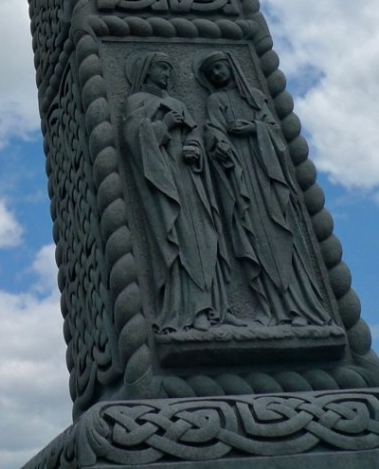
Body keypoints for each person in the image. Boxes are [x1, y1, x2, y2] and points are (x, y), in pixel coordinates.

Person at [196, 51, 332, 326]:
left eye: (221, 68)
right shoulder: (216, 100)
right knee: (254, 237)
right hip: (240, 178)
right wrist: (219, 143)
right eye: (213, 74)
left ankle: (301, 308)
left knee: (283, 234)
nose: (218, 75)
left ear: (232, 67)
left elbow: (274, 132)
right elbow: (213, 131)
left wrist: (254, 129)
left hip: (267, 174)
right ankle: (273, 309)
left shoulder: (256, 97)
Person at [122, 51, 230, 333]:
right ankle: (186, 310)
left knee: (204, 236)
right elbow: (134, 140)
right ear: (147, 71)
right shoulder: (138, 102)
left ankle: (211, 306)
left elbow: (193, 133)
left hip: (190, 180)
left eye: (169, 70)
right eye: (162, 69)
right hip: (164, 183)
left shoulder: (176, 102)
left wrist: (194, 147)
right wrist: (163, 127)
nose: (167, 75)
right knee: (178, 241)